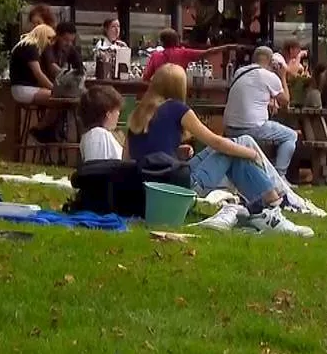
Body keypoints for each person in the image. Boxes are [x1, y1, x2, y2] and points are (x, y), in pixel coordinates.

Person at [128, 64, 311, 236]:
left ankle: (270, 204)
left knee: (240, 145)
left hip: (151, 190)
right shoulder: (176, 108)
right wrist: (252, 153)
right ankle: (273, 204)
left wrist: (176, 153)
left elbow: (132, 158)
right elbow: (215, 142)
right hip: (177, 188)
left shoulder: (138, 113)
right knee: (237, 148)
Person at [222, 46, 298, 179]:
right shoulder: (269, 76)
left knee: (267, 137)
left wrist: (267, 102)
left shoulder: (239, 72)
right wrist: (283, 76)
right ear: (271, 61)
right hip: (252, 127)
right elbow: (286, 101)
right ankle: (280, 177)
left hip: (229, 128)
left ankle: (259, 174)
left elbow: (251, 93)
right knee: (291, 136)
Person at [143, 29, 236, 81]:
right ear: (176, 41)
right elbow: (208, 52)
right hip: (178, 93)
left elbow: (146, 78)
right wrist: (227, 47)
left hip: (159, 96)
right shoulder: (183, 53)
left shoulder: (155, 56)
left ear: (162, 42)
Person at [9, 24, 56, 104]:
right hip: (25, 89)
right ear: (42, 36)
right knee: (58, 98)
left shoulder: (24, 45)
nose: (49, 43)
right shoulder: (30, 47)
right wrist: (54, 88)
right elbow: (38, 73)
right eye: (48, 38)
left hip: (21, 88)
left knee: (55, 98)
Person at [78, 85, 125, 162]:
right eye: (117, 110)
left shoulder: (99, 134)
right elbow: (96, 169)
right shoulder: (98, 135)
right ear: (108, 113)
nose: (118, 114)